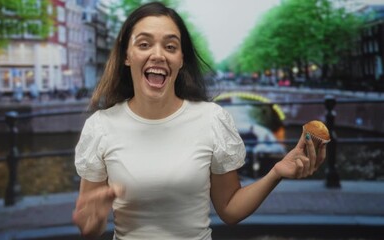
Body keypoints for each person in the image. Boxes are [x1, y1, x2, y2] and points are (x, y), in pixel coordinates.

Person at [72, 2, 327, 239]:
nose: (158, 55)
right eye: (144, 44)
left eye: (170, 46)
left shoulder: (212, 119)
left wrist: (276, 172)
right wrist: (92, 221)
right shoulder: (100, 127)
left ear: (181, 59)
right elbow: (89, 227)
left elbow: (229, 209)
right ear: (127, 55)